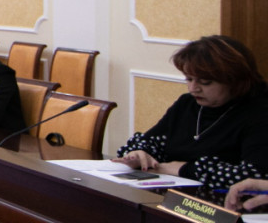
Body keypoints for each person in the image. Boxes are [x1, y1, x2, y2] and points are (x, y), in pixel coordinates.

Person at [113, 35, 268, 187]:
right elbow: (153, 141)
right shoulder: (187, 103)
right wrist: (139, 153)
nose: (193, 88)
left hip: (226, 200)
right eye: (189, 79)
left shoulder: (259, 112)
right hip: (176, 193)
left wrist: (183, 169)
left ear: (234, 80)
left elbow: (255, 175)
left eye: (205, 82)